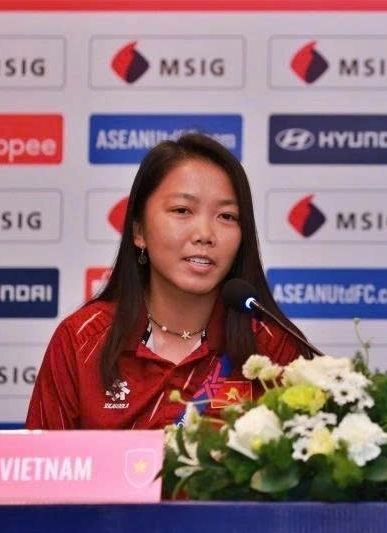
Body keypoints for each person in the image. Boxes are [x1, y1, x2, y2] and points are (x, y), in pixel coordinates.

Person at [26, 133, 310, 430]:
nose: (205, 233)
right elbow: (43, 467)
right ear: (139, 231)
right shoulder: (81, 340)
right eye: (182, 211)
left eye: (226, 216)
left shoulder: (272, 348)